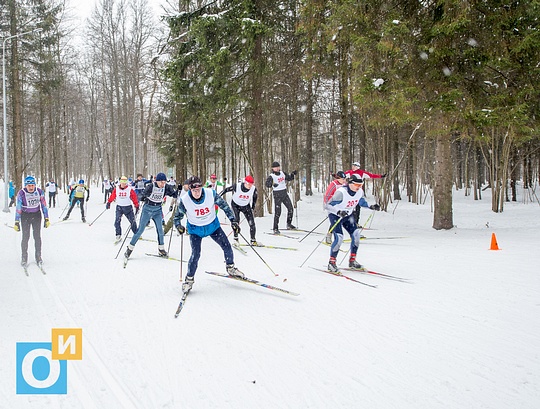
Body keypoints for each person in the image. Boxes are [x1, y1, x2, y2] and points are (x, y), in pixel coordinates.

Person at [173, 176, 242, 292]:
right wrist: (178, 226)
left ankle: (230, 268)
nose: (197, 193)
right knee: (196, 254)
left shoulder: (211, 194)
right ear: (190, 189)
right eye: (194, 190)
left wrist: (233, 220)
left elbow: (224, 206)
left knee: (227, 246)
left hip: (213, 227)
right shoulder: (185, 200)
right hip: (195, 230)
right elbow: (177, 217)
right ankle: (189, 280)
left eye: (199, 189)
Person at [324, 174, 380, 272]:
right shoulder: (341, 192)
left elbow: (361, 202)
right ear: (350, 183)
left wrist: (371, 206)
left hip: (348, 215)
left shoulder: (359, 192)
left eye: (360, 185)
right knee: (339, 237)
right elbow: (327, 206)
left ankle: (352, 261)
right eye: (356, 185)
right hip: (336, 215)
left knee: (356, 234)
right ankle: (331, 263)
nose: (358, 188)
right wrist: (338, 212)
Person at [124, 172, 177, 259]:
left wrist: (177, 190)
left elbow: (173, 194)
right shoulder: (150, 186)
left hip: (157, 210)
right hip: (147, 209)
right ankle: (129, 249)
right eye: (161, 182)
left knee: (160, 230)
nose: (163, 184)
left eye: (164, 182)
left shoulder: (166, 187)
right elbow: (140, 195)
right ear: (157, 181)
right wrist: (143, 197)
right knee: (140, 230)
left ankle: (161, 249)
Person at [14, 176, 50, 266]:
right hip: (25, 215)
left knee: (37, 236)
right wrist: (16, 221)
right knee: (26, 237)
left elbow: (44, 205)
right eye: (29, 185)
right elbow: (18, 207)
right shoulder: (21, 193)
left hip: (36, 215)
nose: (31, 187)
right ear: (25, 186)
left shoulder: (39, 192)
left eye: (32, 185)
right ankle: (24, 257)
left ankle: (38, 256)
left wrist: (46, 218)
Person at [220, 175, 260, 245]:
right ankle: (236, 239)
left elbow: (255, 198)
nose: (250, 186)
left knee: (252, 223)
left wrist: (253, 207)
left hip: (246, 206)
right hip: (236, 205)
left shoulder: (253, 189)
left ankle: (253, 240)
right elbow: (226, 190)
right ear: (245, 182)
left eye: (251, 184)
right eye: (248, 184)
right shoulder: (237, 186)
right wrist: (217, 196)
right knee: (236, 222)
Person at [345, 162, 386, 226]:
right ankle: (350, 222)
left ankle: (356, 222)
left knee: (358, 207)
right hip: (350, 192)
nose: (352, 167)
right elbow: (341, 176)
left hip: (358, 192)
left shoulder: (362, 173)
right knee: (350, 207)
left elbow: (371, 175)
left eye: (354, 166)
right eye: (352, 165)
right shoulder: (349, 172)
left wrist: (381, 176)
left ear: (357, 167)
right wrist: (334, 175)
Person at [265, 161, 297, 234]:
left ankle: (289, 224)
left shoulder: (282, 173)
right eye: (275, 167)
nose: (277, 168)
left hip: (284, 193)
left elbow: (289, 178)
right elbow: (267, 184)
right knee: (278, 212)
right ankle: (275, 228)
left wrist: (292, 174)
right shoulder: (271, 176)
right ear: (273, 168)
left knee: (290, 208)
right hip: (277, 194)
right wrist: (272, 184)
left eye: (278, 167)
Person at [106, 176, 139, 241]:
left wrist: (136, 205)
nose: (123, 184)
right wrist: (109, 202)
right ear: (120, 182)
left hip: (128, 208)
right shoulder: (117, 189)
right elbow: (113, 196)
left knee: (132, 221)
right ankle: (118, 234)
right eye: (122, 182)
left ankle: (136, 233)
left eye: (125, 183)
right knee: (117, 222)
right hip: (119, 207)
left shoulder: (129, 189)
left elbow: (134, 197)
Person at [323, 171, 347, 244]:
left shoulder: (344, 184)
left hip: (341, 205)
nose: (344, 180)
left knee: (341, 220)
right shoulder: (333, 184)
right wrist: (327, 205)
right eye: (343, 179)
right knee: (335, 221)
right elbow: (327, 195)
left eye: (345, 179)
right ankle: (329, 236)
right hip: (333, 206)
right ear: (338, 178)